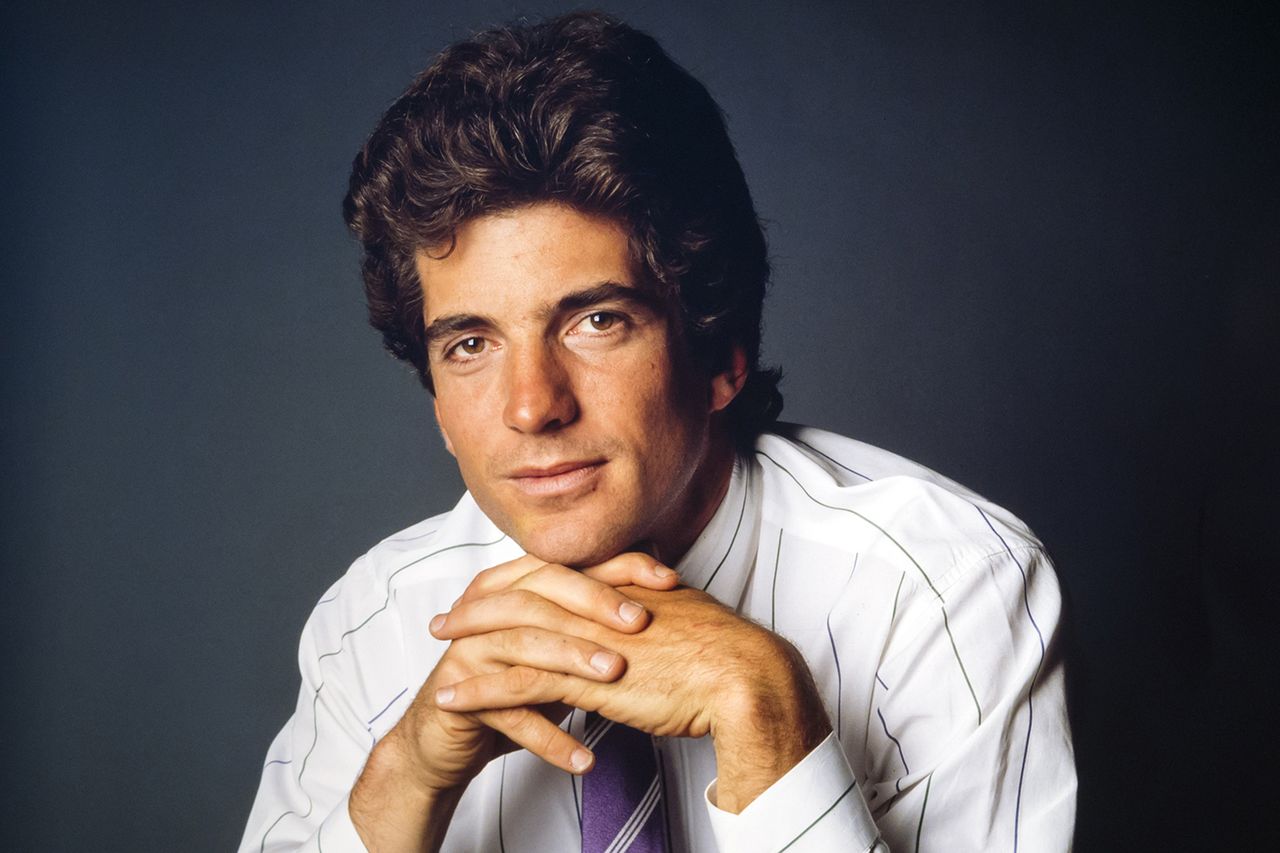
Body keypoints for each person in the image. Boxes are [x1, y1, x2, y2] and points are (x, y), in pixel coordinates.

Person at [240, 11, 1075, 852]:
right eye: (470, 344)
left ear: (720, 352)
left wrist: (769, 718)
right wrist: (405, 778)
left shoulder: (943, 593)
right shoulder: (374, 622)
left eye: (596, 320)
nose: (531, 406)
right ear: (438, 408)